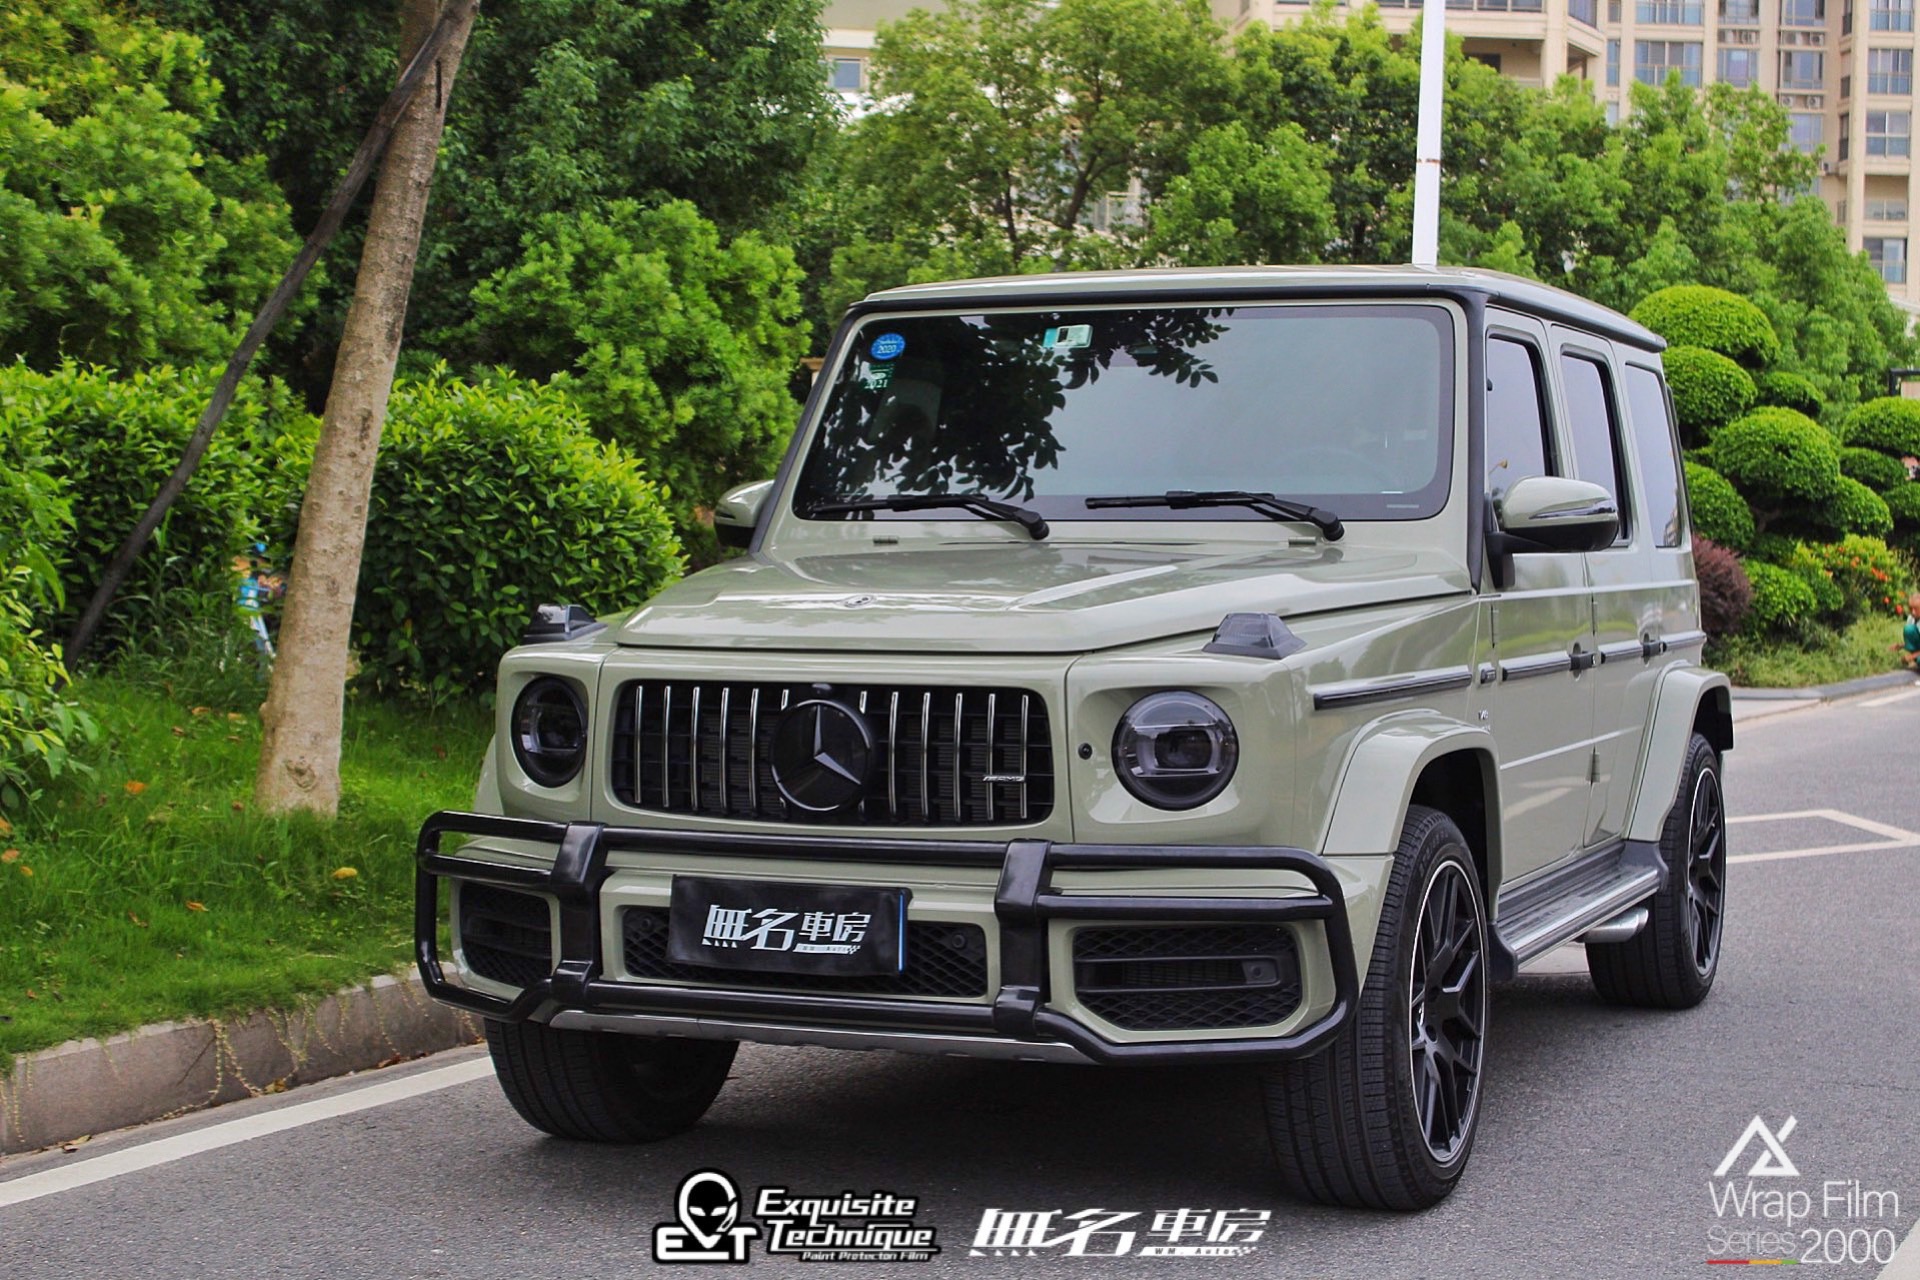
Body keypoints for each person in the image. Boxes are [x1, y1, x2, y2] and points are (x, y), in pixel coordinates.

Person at [1891, 593, 1920, 672]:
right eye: (1911, 609)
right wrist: (1900, 646)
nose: (1913, 612)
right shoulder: (1911, 619)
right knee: (1909, 629)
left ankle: (1916, 660)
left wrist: (1912, 656)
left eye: (1916, 609)